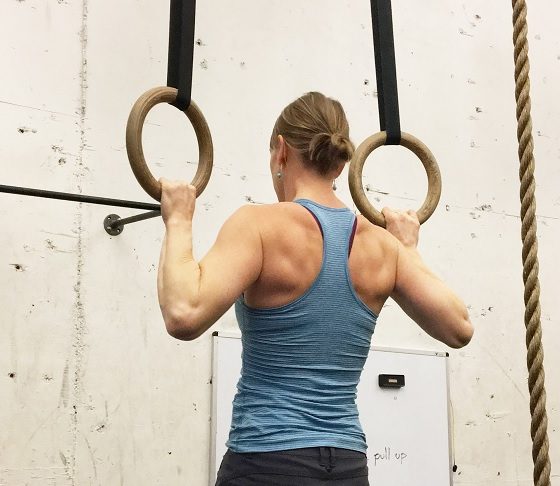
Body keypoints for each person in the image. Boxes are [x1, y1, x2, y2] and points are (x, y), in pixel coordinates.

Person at [157, 92, 473, 485]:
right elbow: (459, 328)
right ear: (341, 163)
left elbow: (183, 313)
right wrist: (408, 249)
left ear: (281, 151)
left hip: (267, 462)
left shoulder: (258, 226)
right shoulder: (383, 247)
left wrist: (178, 220)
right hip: (347, 468)